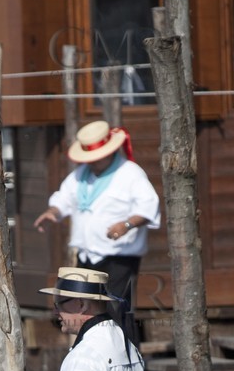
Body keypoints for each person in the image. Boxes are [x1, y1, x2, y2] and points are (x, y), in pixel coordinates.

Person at [33, 121, 160, 319]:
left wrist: (127, 225)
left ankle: (122, 349)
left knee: (116, 312)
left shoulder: (130, 173)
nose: (92, 162)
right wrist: (53, 212)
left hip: (119, 257)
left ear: (109, 152)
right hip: (86, 256)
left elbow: (149, 207)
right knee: (85, 311)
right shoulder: (80, 174)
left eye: (97, 158)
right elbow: (64, 198)